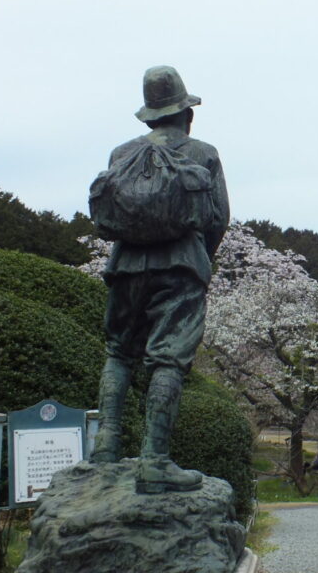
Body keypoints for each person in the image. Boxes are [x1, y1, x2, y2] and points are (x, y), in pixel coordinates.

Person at [90, 66, 230, 494]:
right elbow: (219, 218)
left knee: (119, 353)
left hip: (125, 265)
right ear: (187, 113)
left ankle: (105, 449)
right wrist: (200, 261)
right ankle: (154, 460)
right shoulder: (202, 153)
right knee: (168, 358)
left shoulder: (121, 154)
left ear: (150, 115)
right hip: (181, 266)